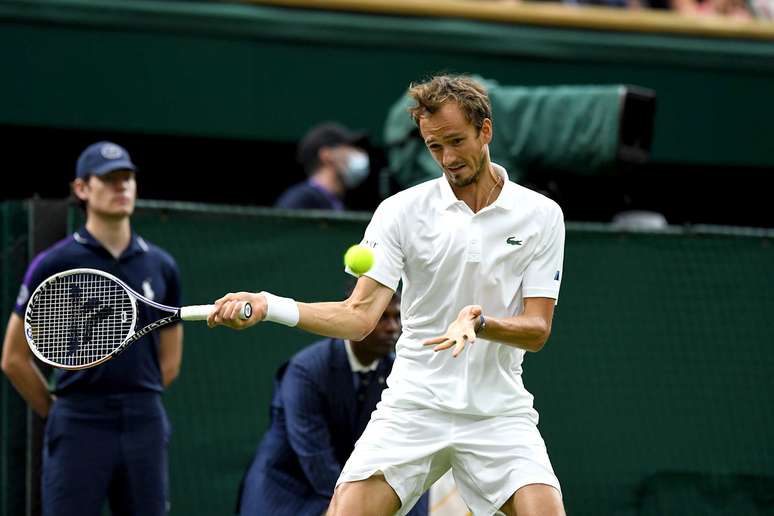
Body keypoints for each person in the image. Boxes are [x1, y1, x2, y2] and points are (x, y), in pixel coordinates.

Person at [210, 74, 566, 516]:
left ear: (485, 130)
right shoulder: (399, 212)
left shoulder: (541, 215)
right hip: (415, 405)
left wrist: (480, 323)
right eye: (435, 147)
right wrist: (270, 306)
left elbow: (537, 330)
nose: (448, 158)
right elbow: (358, 316)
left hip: (498, 414)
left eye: (457, 141)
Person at [1, 141, 183, 516]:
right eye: (110, 179)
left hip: (144, 420)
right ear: (82, 188)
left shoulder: (162, 265)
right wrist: (58, 412)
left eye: (128, 178)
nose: (122, 187)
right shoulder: (54, 263)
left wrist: (133, 402)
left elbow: (170, 362)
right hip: (78, 421)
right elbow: (14, 358)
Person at [236, 291, 428, 516]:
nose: (392, 327)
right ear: (358, 319)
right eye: (382, 318)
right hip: (286, 492)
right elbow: (315, 459)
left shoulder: (398, 373)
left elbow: (407, 457)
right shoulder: (305, 372)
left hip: (346, 488)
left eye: (397, 317)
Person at [275, 122, 370, 210]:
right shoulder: (299, 200)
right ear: (326, 155)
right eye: (350, 148)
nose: (358, 154)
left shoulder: (336, 201)